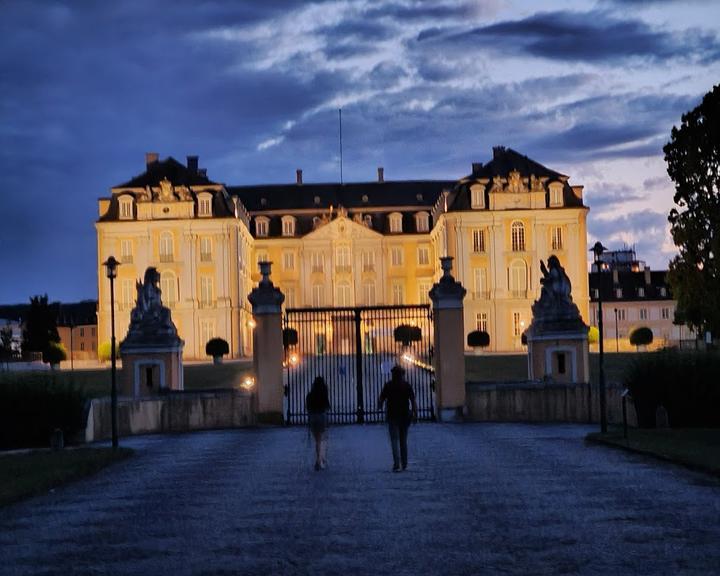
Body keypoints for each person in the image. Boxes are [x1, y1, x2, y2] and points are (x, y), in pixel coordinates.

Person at [378, 364, 418, 472]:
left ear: (393, 375)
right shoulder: (406, 385)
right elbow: (413, 401)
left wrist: (379, 406)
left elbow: (381, 398)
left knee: (394, 440)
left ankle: (396, 463)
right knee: (403, 440)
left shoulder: (388, 385)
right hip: (405, 416)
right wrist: (415, 413)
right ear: (403, 375)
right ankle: (404, 463)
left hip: (392, 416)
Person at [306, 376, 331, 471]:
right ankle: (320, 460)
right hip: (321, 417)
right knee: (322, 439)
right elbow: (327, 406)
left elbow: (308, 408)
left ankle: (318, 459)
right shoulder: (324, 394)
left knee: (317, 440)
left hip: (313, 418)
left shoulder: (310, 395)